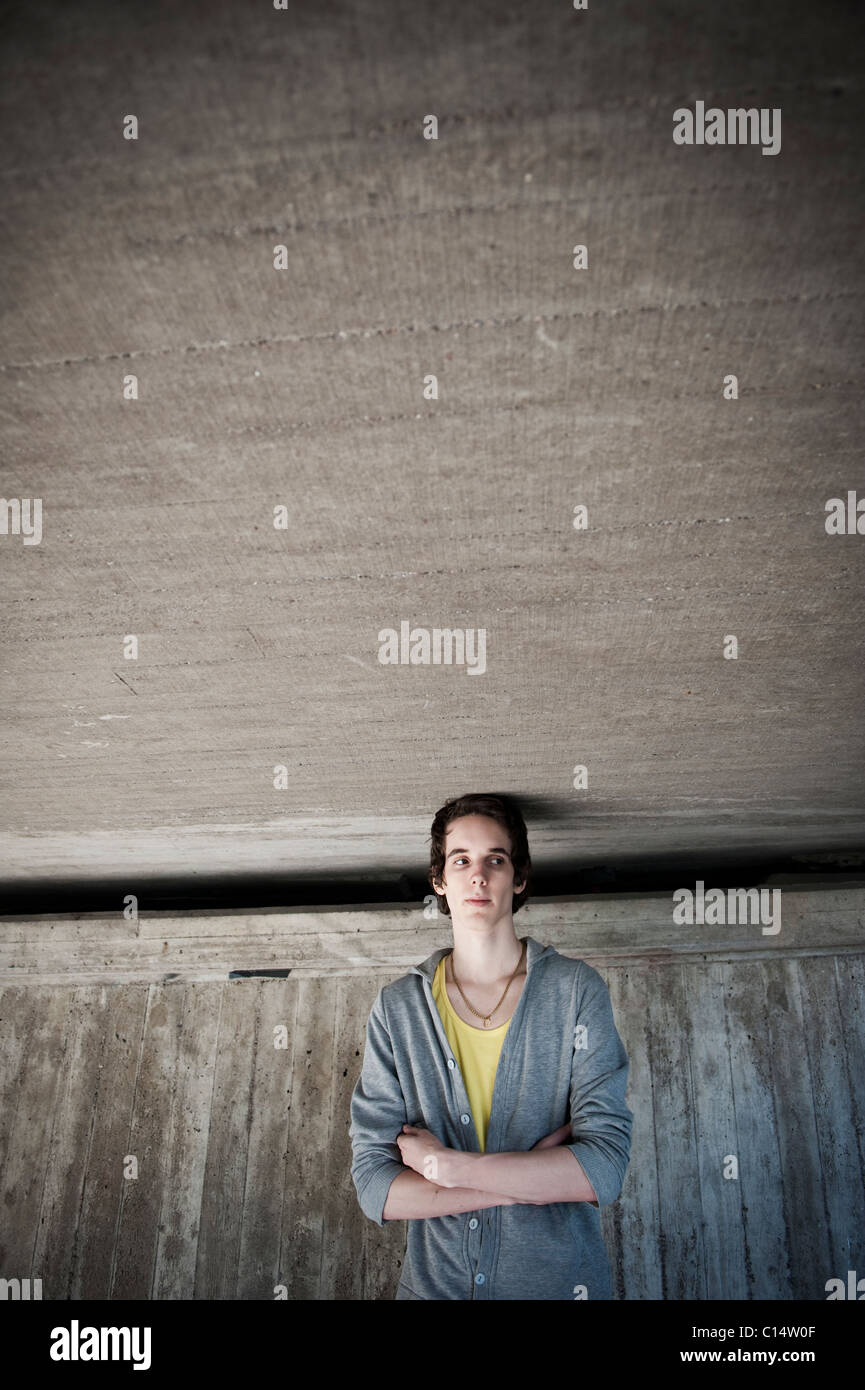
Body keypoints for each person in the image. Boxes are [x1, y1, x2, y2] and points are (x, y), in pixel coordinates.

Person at [349, 792, 633, 1299]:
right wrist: (528, 1178)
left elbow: (603, 1170)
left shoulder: (575, 991)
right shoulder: (399, 1009)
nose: (477, 876)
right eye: (461, 860)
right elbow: (375, 1186)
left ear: (518, 878)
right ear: (439, 880)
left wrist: (448, 1168)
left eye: (494, 861)